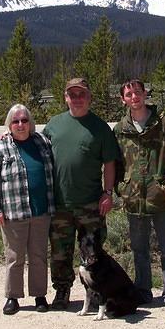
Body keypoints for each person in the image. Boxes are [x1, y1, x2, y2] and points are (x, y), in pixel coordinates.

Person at [113, 79, 165, 314]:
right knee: (139, 249)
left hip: (163, 200)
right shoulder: (120, 129)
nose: (134, 97)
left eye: (138, 92)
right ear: (123, 99)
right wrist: (122, 188)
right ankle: (143, 291)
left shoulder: (164, 123)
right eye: (129, 94)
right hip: (134, 200)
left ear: (145, 94)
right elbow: (115, 165)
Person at [43, 78, 120, 310]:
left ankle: (96, 291)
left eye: (81, 94)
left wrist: (108, 193)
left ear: (89, 97)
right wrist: (8, 136)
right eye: (72, 94)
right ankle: (62, 291)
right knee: (60, 252)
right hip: (59, 203)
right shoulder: (54, 125)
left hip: (90, 204)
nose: (77, 98)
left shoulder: (100, 128)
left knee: (93, 251)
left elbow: (109, 164)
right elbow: (34, 146)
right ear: (65, 97)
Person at [0, 104, 56, 315]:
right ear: (9, 125)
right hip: (13, 213)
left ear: (30, 123)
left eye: (24, 120)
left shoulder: (42, 142)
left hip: (41, 211)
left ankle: (40, 295)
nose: (20, 124)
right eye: (15, 121)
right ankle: (12, 297)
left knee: (39, 256)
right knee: (14, 257)